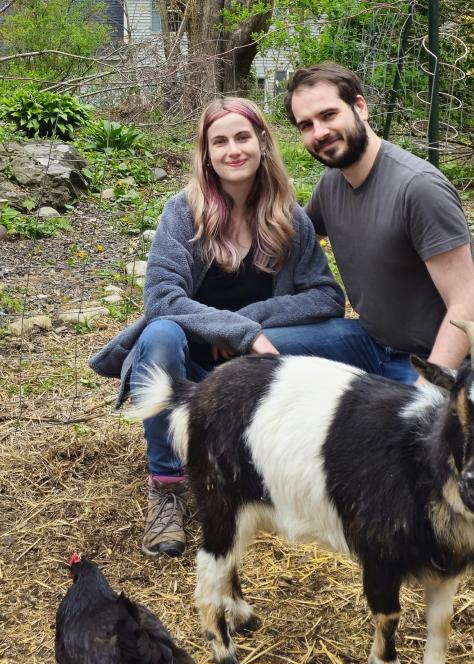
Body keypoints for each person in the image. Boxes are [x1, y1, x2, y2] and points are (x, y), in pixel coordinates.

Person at [89, 97, 346, 557]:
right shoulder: (183, 212)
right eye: (219, 141)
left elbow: (327, 296)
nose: (233, 150)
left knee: (348, 337)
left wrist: (246, 327)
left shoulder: (288, 217)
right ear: (205, 154)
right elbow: (162, 299)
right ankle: (167, 488)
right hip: (187, 360)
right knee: (159, 334)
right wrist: (233, 331)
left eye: (243, 137)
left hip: (249, 365)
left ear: (263, 143)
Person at [282, 62, 474, 382]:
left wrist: (426, 388)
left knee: (403, 428)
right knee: (260, 347)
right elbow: (290, 237)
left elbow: (467, 306)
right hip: (372, 346)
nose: (320, 132)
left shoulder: (417, 188)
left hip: (449, 360)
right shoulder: (331, 185)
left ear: (359, 107)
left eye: (328, 115)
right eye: (306, 125)